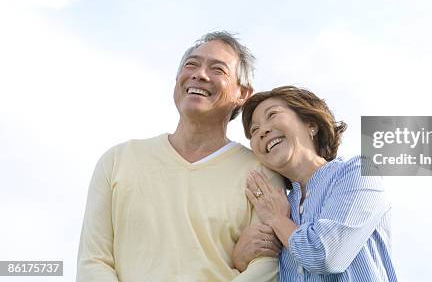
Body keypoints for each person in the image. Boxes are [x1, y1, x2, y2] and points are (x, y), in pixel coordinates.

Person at [77, 31, 284, 282]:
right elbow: (93, 261)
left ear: (242, 94)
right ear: (177, 80)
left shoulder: (260, 172)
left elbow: (266, 267)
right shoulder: (118, 160)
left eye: (218, 69)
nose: (199, 74)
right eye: (191, 64)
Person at [236, 86, 397, 281]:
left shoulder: (358, 172)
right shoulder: (279, 205)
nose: (263, 131)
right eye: (254, 130)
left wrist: (277, 219)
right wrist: (241, 259)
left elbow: (326, 255)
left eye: (272, 115)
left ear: (311, 124)